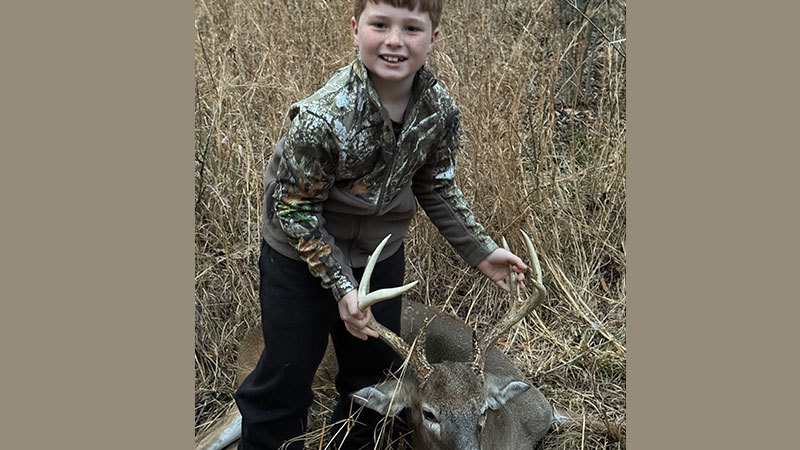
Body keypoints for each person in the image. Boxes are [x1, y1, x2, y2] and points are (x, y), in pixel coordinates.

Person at [234, 1, 528, 449]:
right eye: (380, 25)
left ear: (433, 39)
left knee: (372, 380)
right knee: (285, 380)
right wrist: (340, 287)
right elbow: (293, 209)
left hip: (378, 259)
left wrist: (481, 250)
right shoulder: (323, 117)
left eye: (412, 28)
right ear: (355, 30)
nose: (394, 40)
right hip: (298, 256)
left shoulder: (438, 111)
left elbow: (437, 186)